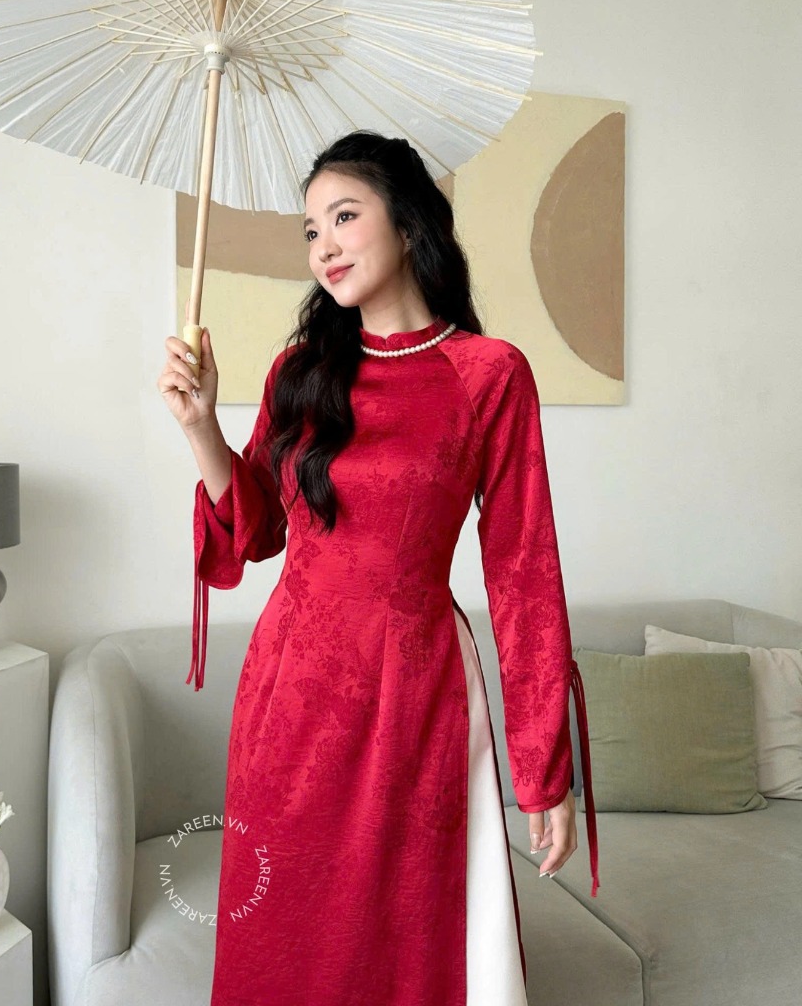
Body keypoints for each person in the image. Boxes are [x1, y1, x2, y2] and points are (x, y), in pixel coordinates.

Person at [157, 130, 599, 1006]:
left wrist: (544, 768)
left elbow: (524, 573)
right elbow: (255, 536)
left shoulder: (489, 375)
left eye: (344, 217)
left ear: (409, 224)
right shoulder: (299, 373)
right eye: (310, 229)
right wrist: (202, 425)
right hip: (289, 692)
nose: (323, 245)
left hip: (416, 691)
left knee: (402, 937)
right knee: (285, 933)